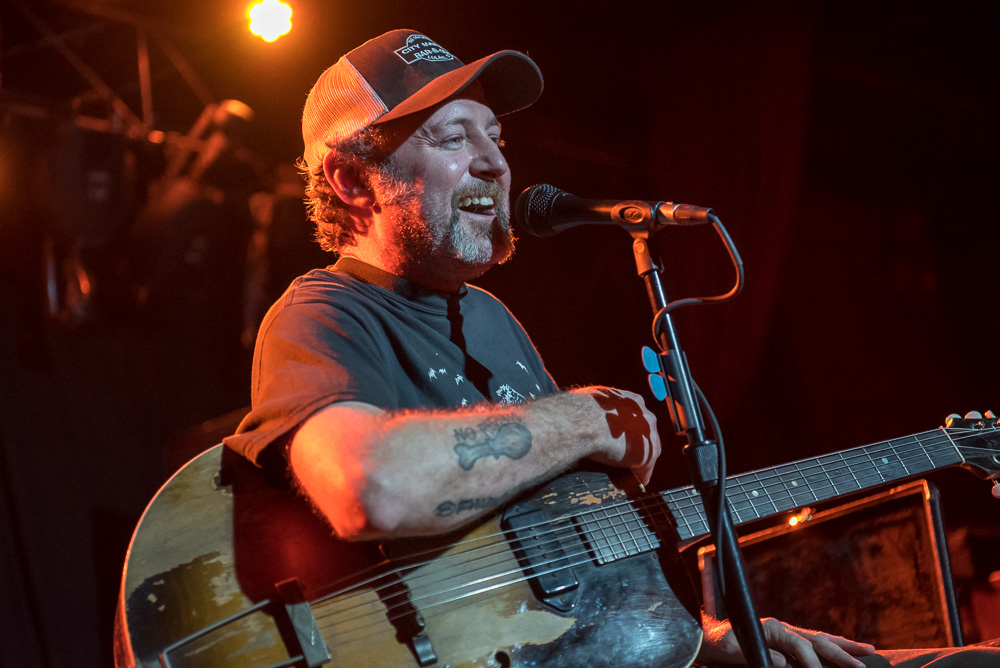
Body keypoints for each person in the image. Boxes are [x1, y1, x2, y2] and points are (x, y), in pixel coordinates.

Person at [223, 29, 999, 667]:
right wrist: (585, 420)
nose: (494, 159)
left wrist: (706, 639)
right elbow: (369, 487)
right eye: (454, 138)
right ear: (354, 181)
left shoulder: (494, 321)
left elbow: (568, 561)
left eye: (495, 135)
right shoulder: (324, 311)